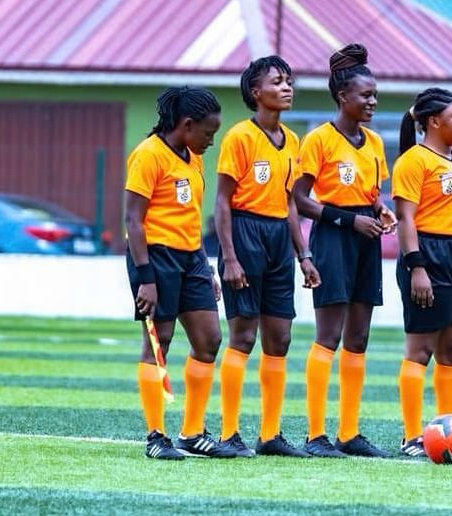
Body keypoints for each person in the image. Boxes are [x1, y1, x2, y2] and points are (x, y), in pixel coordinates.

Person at [292, 43, 396, 458]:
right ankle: (316, 435)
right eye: (365, 96)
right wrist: (348, 219)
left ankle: (348, 433)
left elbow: (372, 193)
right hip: (334, 238)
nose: (372, 102)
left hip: (366, 241)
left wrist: (380, 208)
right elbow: (300, 200)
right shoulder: (319, 139)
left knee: (359, 336)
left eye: (374, 96)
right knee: (329, 335)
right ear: (342, 97)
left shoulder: (373, 142)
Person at [215, 56, 320, 458]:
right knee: (243, 335)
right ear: (256, 93)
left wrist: (303, 255)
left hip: (279, 238)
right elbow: (222, 201)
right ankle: (228, 432)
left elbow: (291, 204)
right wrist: (229, 257)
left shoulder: (292, 141)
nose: (287, 87)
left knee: (280, 337)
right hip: (244, 232)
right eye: (277, 82)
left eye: (289, 80)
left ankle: (270, 434)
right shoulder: (240, 137)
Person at [125, 86, 236, 460]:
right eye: (208, 132)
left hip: (191, 259)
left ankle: (192, 432)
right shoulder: (148, 155)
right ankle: (156, 436)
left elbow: (189, 218)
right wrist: (146, 278)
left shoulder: (193, 156)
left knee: (209, 339)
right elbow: (133, 221)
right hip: (154, 258)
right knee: (160, 340)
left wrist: (205, 266)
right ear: (187, 125)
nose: (212, 139)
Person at [391, 87, 452, 458]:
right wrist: (416, 267)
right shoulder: (414, 161)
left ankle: (448, 434)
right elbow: (405, 219)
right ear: (434, 122)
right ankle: (412, 436)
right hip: (428, 255)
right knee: (421, 348)